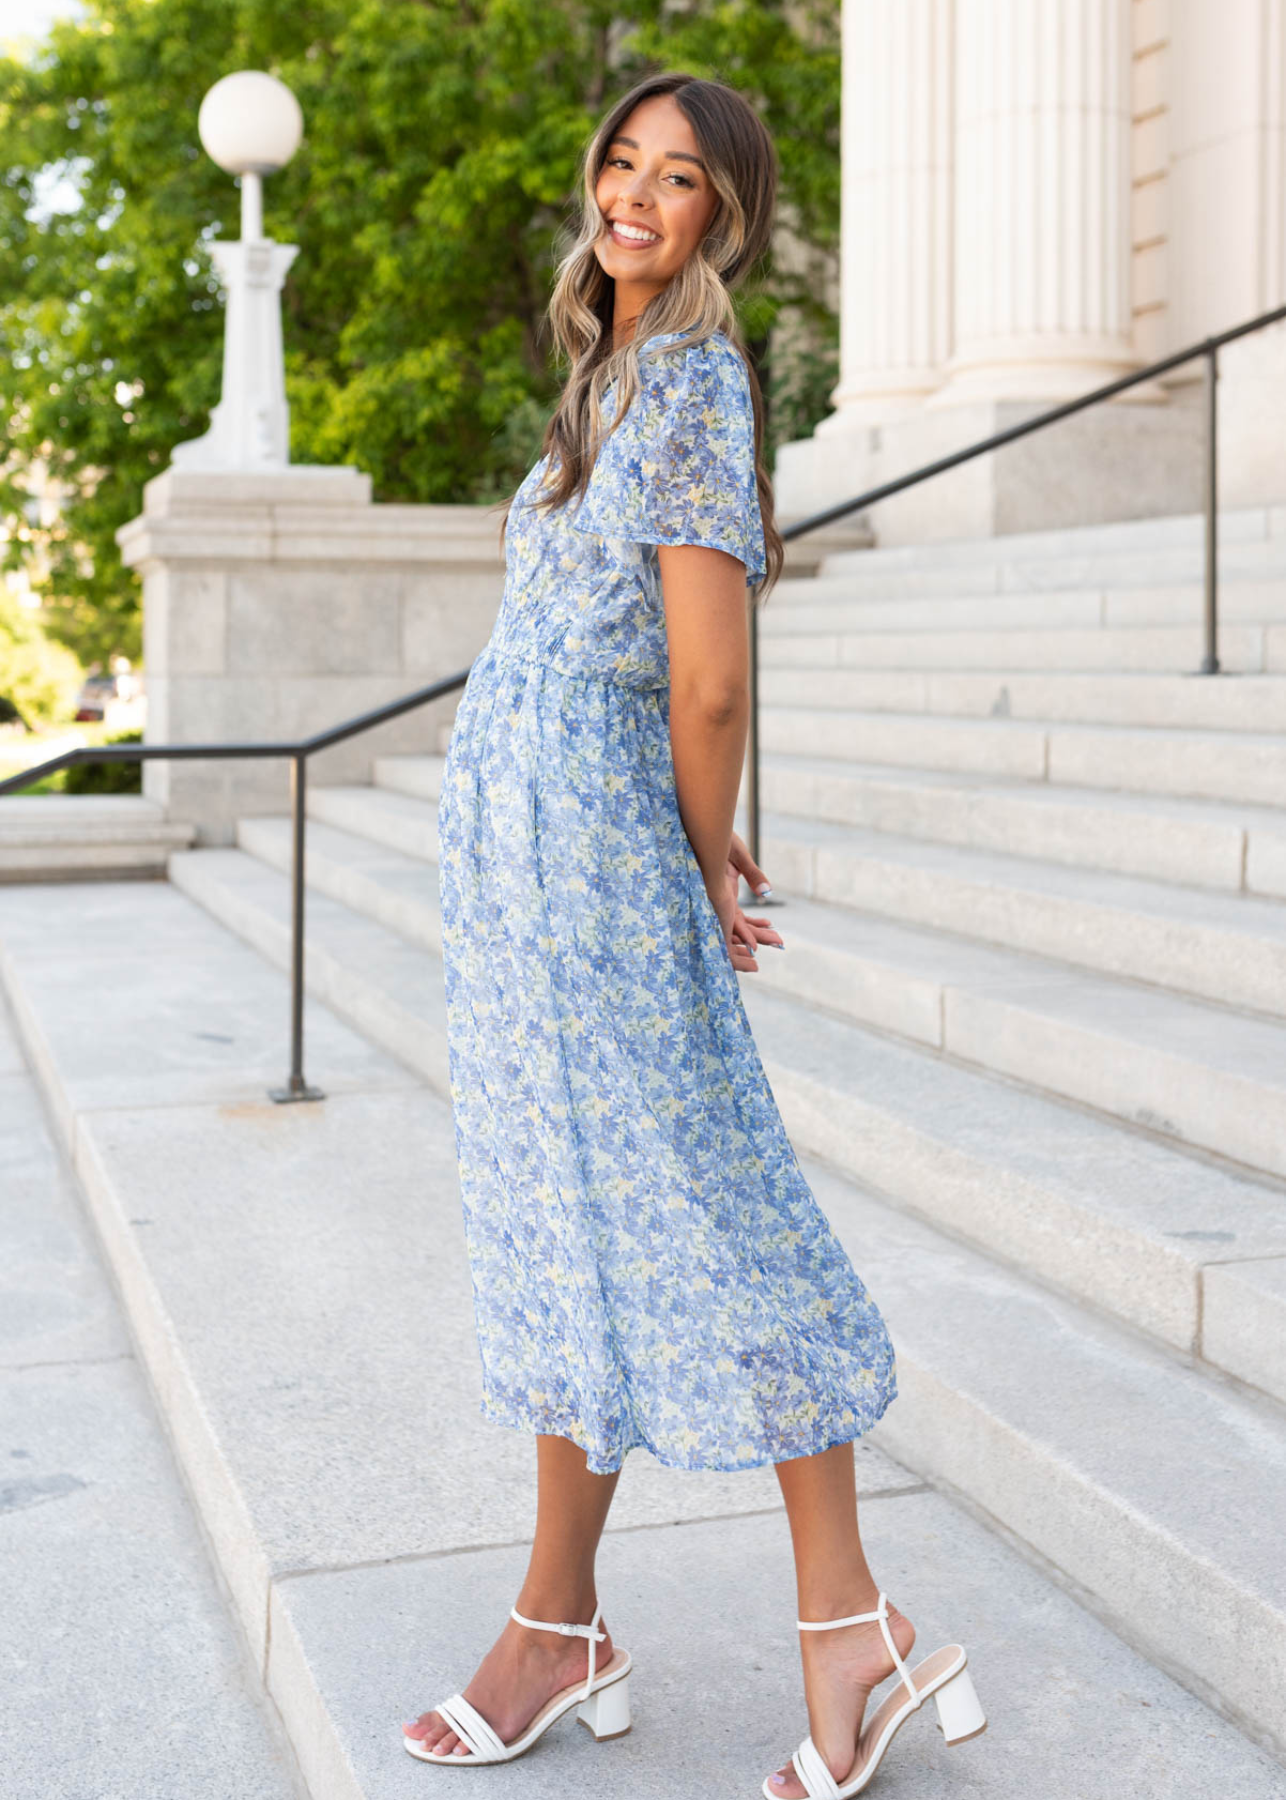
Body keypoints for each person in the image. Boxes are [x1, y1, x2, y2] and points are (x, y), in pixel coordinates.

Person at [401, 69, 985, 1799]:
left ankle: (841, 1624)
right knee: (561, 1223)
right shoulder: (614, 368)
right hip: (524, 870)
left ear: (723, 217)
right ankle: (566, 1624)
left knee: (705, 1211)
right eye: (621, 162)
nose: (635, 195)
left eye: (678, 180)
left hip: (595, 861)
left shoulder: (696, 382)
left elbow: (710, 673)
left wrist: (705, 860)